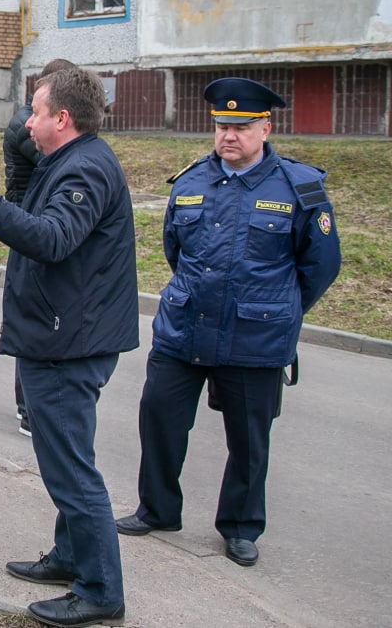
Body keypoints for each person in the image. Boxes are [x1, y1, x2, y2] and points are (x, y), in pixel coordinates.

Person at [116, 77, 341, 569]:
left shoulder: (299, 187)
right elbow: (177, 250)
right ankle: (157, 508)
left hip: (256, 335)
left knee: (248, 438)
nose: (228, 136)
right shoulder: (192, 181)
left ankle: (240, 526)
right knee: (159, 418)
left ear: (265, 127)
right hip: (184, 327)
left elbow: (320, 267)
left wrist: (278, 308)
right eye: (221, 126)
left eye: (241, 126)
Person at [0, 67, 135, 628]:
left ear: (63, 118)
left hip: (69, 343)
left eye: (35, 112)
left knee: (72, 470)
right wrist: (17, 172)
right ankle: (72, 557)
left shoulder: (85, 170)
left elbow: (51, 239)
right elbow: (32, 216)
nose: (26, 123)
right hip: (63, 333)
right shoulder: (67, 161)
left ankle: (100, 590)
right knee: (67, 459)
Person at [2, 58, 76, 438]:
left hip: (32, 216)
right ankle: (27, 409)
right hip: (29, 217)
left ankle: (29, 406)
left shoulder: (26, 119)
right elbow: (57, 160)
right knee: (32, 317)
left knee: (36, 313)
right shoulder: (25, 125)